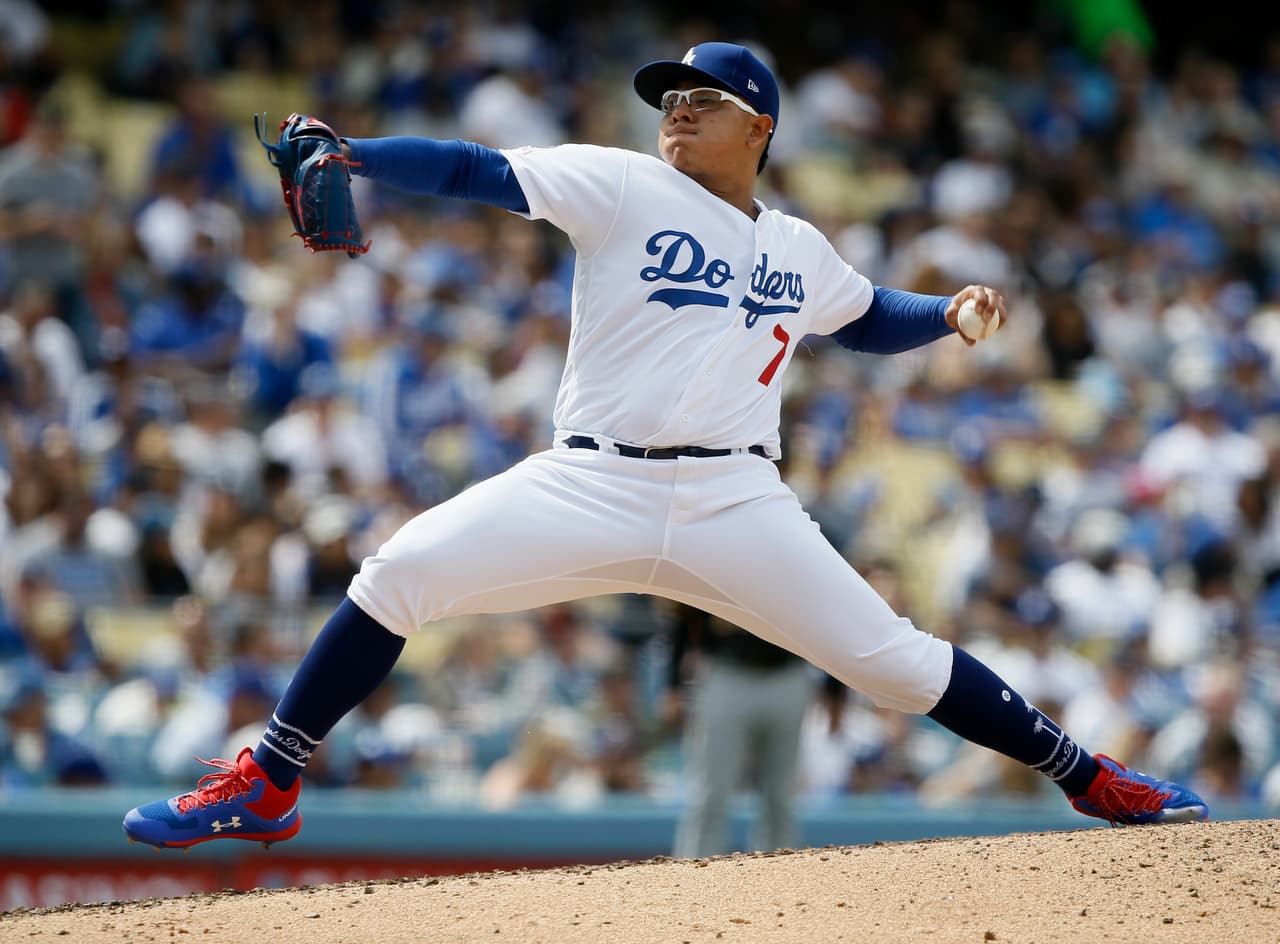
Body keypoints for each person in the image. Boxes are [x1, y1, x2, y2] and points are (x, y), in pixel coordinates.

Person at [122, 41, 1208, 849]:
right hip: (589, 478)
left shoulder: (796, 242)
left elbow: (865, 312)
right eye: (670, 100)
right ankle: (268, 779)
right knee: (399, 570)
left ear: (761, 129)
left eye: (704, 102)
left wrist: (946, 312)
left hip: (736, 502)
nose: (677, 114)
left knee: (894, 664)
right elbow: (473, 170)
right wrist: (359, 155)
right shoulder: (624, 183)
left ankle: (1089, 777)